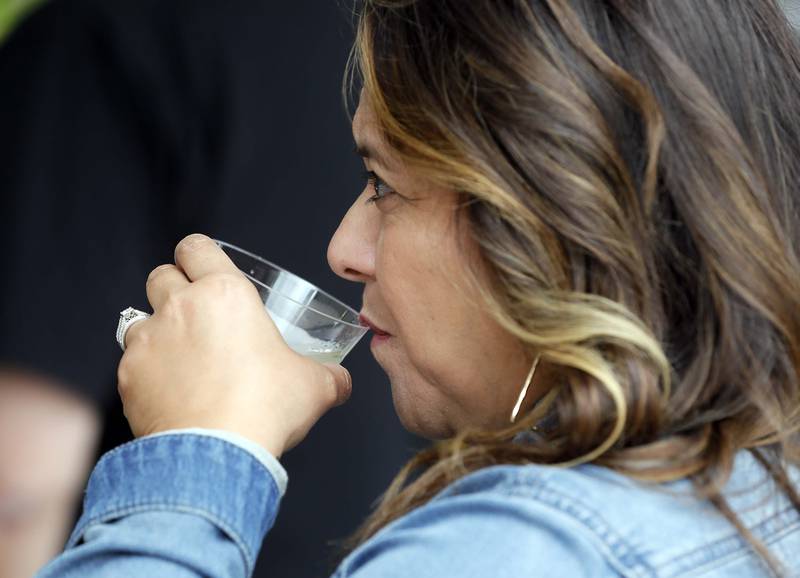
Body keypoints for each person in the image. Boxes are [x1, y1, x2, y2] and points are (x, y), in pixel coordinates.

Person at [35, 0, 800, 576]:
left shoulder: (502, 553)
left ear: (550, 212)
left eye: (383, 184)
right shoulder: (761, 491)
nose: (342, 249)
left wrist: (196, 451)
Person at [0, 1, 411, 576]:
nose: (339, 252)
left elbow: (15, 488)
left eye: (384, 187)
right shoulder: (430, 33)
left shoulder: (97, 35)